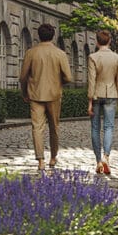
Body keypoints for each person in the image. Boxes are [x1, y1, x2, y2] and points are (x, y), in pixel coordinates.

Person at [19, 22, 72, 171]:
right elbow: (68, 77)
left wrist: (25, 92)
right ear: (52, 36)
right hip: (54, 95)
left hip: (35, 95)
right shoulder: (60, 54)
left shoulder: (31, 52)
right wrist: (58, 83)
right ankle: (53, 157)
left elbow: (23, 77)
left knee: (37, 128)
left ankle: (40, 160)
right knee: (54, 127)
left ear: (39, 36)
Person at [87, 30, 118, 176]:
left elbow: (91, 81)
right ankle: (106, 157)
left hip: (96, 94)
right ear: (109, 41)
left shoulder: (93, 57)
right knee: (109, 127)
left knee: (95, 128)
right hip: (112, 94)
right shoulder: (117, 58)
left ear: (97, 42)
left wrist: (90, 101)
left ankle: (98, 162)